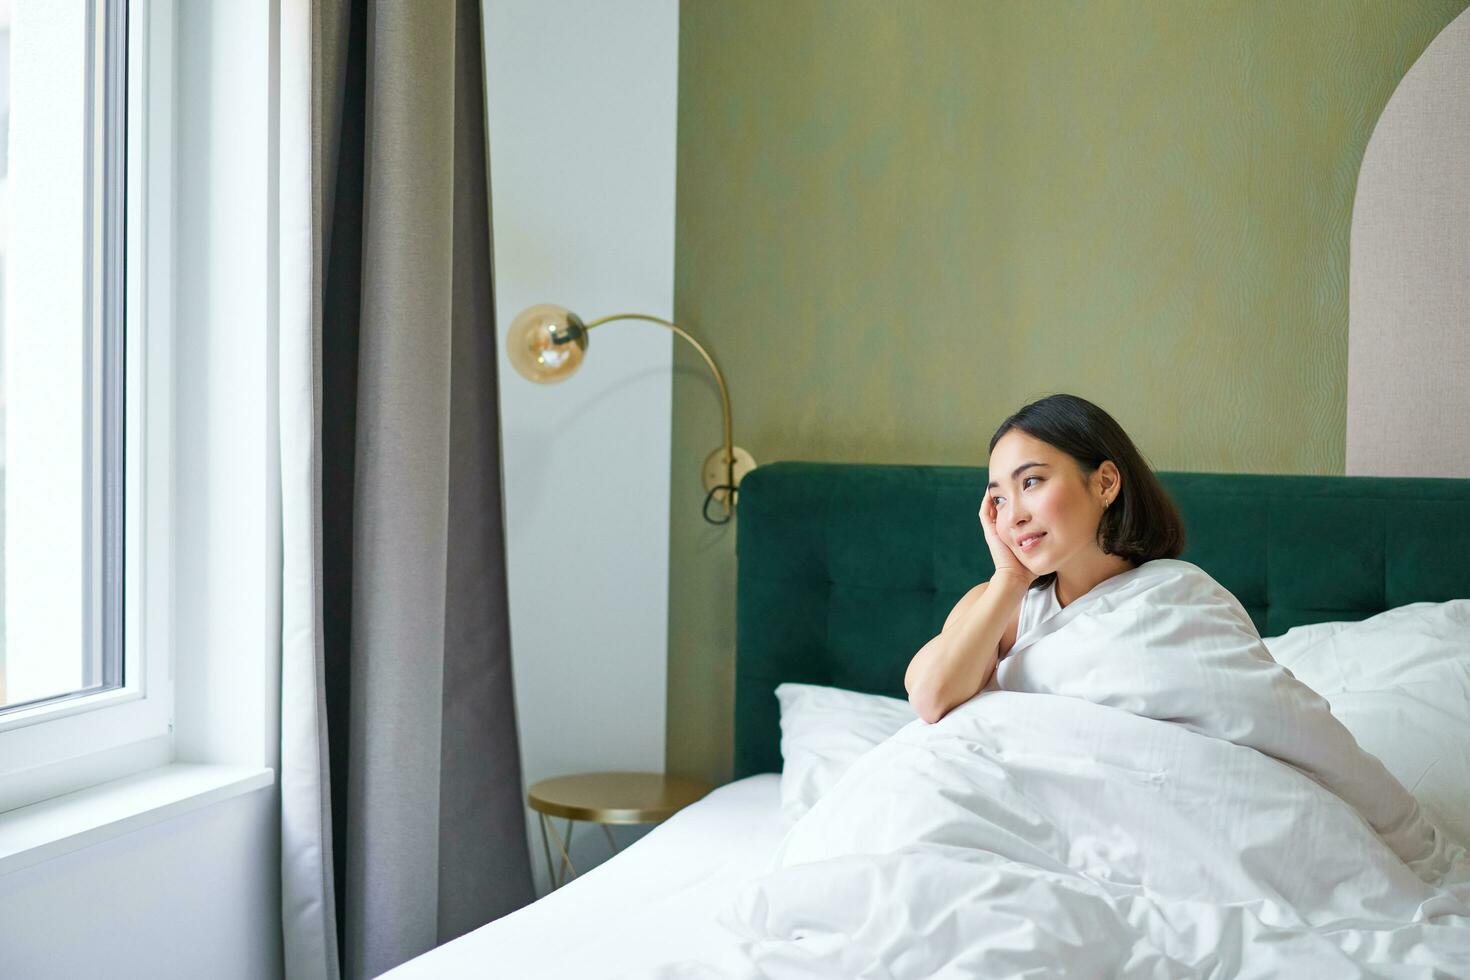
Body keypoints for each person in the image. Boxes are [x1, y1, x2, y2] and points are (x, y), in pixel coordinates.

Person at [904, 392, 1185, 724]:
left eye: (1031, 482)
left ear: (1105, 483)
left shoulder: (1179, 597)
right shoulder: (996, 606)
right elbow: (928, 698)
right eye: (999, 499)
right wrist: (1010, 578)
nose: (1013, 517)